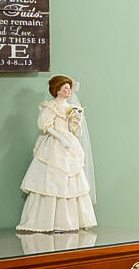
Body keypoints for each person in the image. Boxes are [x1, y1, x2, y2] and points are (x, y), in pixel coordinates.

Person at [19, 75, 95, 232]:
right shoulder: (51, 106)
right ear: (57, 90)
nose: (69, 91)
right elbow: (44, 125)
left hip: (70, 144)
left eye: (69, 88)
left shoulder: (71, 108)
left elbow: (77, 132)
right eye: (65, 88)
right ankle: (47, 221)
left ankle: (69, 222)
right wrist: (60, 138)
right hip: (54, 144)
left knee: (72, 179)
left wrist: (76, 123)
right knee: (51, 180)